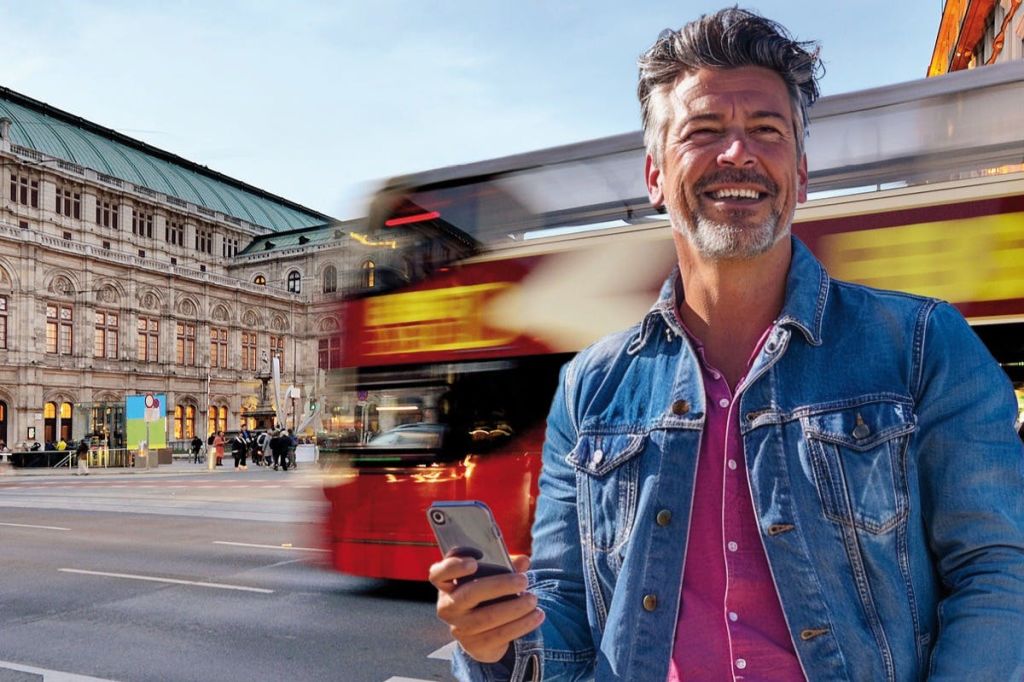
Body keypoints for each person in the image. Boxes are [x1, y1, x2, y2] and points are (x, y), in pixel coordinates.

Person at [429, 8, 1024, 681]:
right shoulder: (587, 389)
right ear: (655, 176)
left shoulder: (922, 346)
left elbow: (997, 570)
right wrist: (493, 642)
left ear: (801, 173)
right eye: (703, 130)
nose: (737, 153)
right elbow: (567, 609)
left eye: (767, 130)